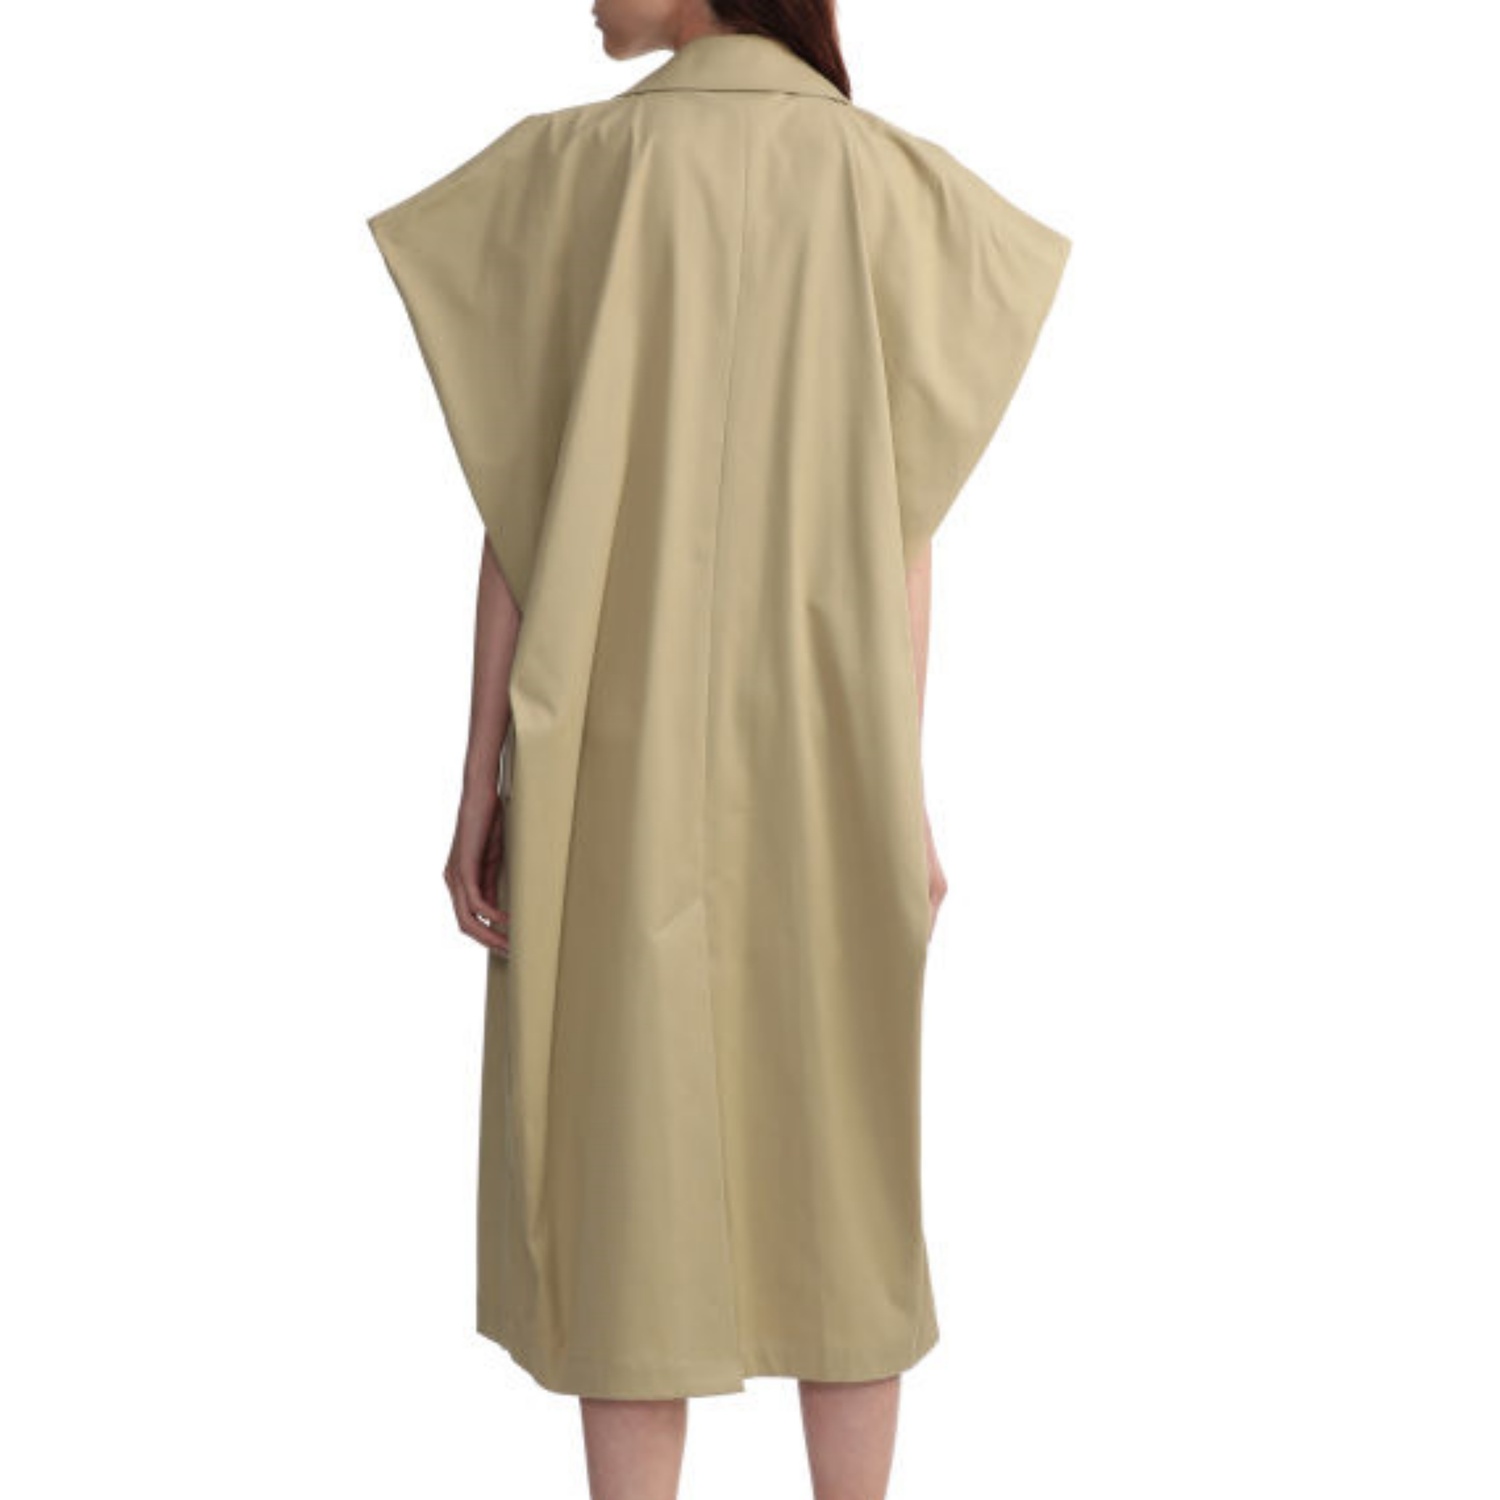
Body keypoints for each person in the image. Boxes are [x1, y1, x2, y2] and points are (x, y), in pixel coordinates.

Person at [366, 1, 1071, 1495]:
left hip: (605, 756)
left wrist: (480, 781)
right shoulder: (885, 184)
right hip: (828, 752)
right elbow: (905, 524)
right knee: (845, 1173)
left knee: (622, 1180)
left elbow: (521, 516)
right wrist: (902, 794)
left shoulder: (575, 172)